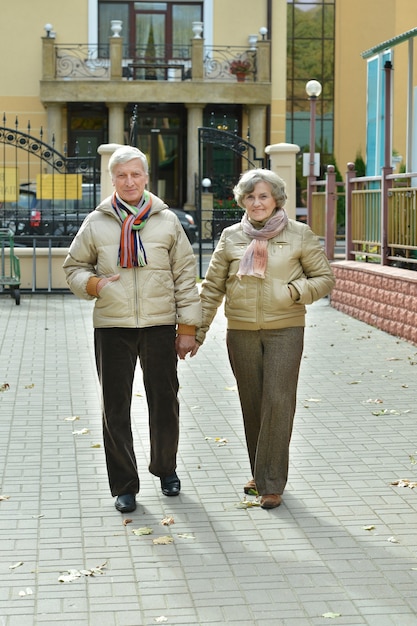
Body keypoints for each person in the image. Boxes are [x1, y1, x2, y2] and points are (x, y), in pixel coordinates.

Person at [63, 145, 201, 514]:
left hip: (159, 325)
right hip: (112, 326)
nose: (129, 181)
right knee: (115, 407)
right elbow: (73, 267)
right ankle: (125, 484)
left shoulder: (167, 221)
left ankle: (165, 468)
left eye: (135, 174)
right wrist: (93, 285)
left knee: (164, 402)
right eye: (121, 175)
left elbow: (186, 277)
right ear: (112, 180)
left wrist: (187, 327)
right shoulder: (96, 222)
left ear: (146, 177)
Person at [196, 168, 335, 510]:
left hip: (285, 329)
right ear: (241, 200)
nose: (256, 203)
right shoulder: (230, 237)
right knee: (253, 403)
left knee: (277, 400)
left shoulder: (299, 234)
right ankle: (260, 473)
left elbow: (324, 278)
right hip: (240, 331)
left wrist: (294, 291)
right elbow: (212, 287)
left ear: (276, 200)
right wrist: (195, 332)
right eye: (250, 197)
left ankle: (271, 483)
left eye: (263, 196)